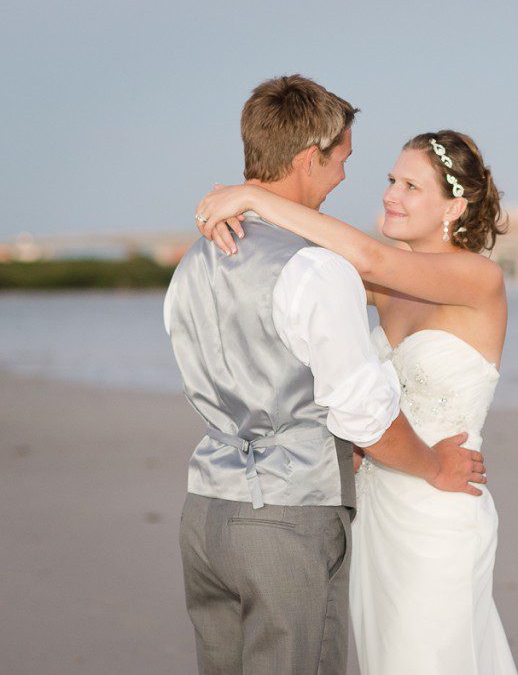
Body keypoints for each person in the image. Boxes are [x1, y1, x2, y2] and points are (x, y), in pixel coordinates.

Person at [165, 75, 485, 674]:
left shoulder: (198, 255)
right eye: (345, 160)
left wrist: (253, 199)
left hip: (206, 511)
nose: (349, 179)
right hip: (289, 519)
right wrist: (434, 463)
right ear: (312, 157)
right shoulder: (317, 270)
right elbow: (360, 409)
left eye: (407, 184)